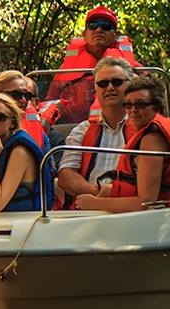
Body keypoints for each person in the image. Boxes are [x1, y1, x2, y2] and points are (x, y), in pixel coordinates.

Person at [74, 75, 170, 212]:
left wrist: (93, 203)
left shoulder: (152, 140)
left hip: (155, 220)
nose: (133, 110)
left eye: (140, 104)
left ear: (156, 107)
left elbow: (146, 203)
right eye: (128, 105)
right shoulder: (168, 127)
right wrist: (111, 191)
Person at [57, 57, 138, 208]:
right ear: (96, 90)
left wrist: (111, 197)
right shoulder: (81, 130)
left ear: (130, 86)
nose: (109, 88)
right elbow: (65, 176)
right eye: (102, 84)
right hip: (88, 211)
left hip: (129, 211)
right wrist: (99, 195)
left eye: (117, 82)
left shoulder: (144, 129)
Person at [46, 6, 141, 124]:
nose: (98, 30)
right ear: (84, 34)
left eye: (105, 26)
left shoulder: (135, 70)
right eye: (92, 26)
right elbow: (50, 102)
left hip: (119, 127)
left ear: (116, 35)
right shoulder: (64, 70)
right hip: (69, 128)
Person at [0, 93, 51, 213]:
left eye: (0, 117)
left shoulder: (20, 152)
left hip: (23, 223)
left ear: (12, 122)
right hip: (7, 221)